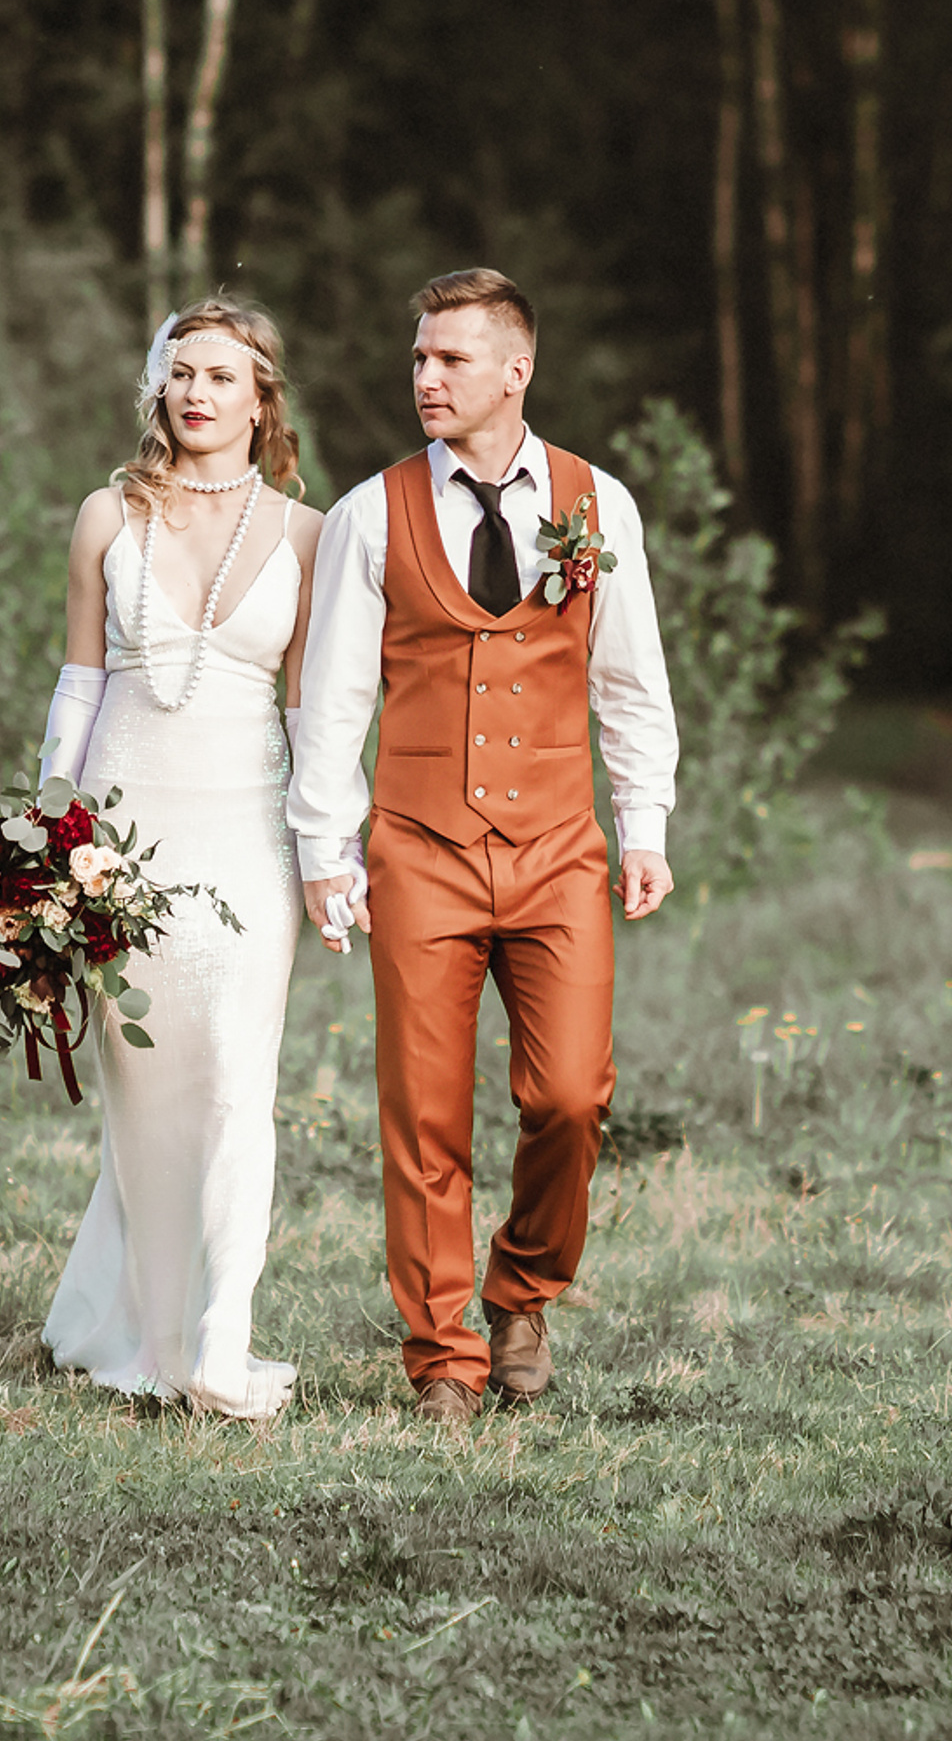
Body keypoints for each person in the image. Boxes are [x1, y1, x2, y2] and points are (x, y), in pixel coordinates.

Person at [288, 268, 680, 1421]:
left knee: (569, 1095)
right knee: (423, 1112)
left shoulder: (596, 504)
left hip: (560, 845)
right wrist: (326, 846)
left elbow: (630, 679)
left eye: (448, 359)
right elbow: (334, 700)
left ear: (515, 371)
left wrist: (641, 820)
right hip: (417, 847)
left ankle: (524, 1288)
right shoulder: (372, 511)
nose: (424, 376)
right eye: (417, 357)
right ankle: (443, 1357)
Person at [36, 297, 321, 1418]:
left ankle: (224, 1334)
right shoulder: (105, 515)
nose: (195, 392)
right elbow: (79, 681)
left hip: (250, 833)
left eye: (221, 375)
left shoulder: (308, 532)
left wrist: (327, 851)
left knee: (239, 1081)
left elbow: (313, 715)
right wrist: (44, 833)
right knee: (144, 1092)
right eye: (180, 372)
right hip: (121, 835)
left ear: (262, 398)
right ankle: (152, 1339)